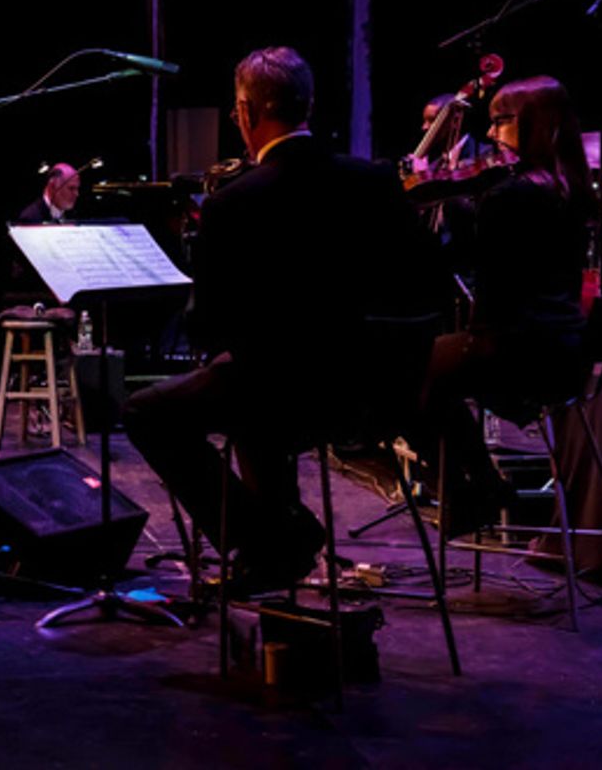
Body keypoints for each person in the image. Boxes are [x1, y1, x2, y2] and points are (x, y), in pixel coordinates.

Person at [124, 46, 444, 591]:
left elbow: (208, 329)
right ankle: (272, 543)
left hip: (282, 396)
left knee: (150, 412)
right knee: (251, 389)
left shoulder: (233, 201)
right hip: (375, 394)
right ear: (309, 105)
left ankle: (270, 536)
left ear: (246, 113)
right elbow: (424, 285)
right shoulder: (375, 181)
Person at [418, 76, 594, 526]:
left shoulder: (511, 195)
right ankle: (477, 492)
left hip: (513, 350)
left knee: (404, 374)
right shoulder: (571, 190)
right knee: (431, 373)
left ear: (536, 125)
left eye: (501, 122)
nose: (491, 134)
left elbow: (459, 260)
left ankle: (473, 492)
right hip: (565, 352)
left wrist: (441, 201)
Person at [16, 163, 81, 224]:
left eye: (77, 188)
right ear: (53, 187)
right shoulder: (30, 218)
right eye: (71, 188)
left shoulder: (72, 215)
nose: (77, 194)